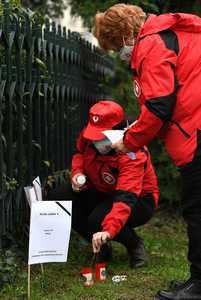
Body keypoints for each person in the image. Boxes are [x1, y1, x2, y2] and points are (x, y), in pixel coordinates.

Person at [94, 3, 201, 300]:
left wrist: (129, 141)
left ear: (126, 33)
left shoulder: (151, 44)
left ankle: (198, 285)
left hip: (196, 133)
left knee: (197, 209)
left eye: (116, 46)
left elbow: (158, 107)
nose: (119, 54)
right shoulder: (167, 34)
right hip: (195, 128)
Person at [48, 100, 159, 268]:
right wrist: (78, 174)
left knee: (98, 220)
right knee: (57, 198)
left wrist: (109, 230)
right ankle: (102, 247)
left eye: (101, 136)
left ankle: (134, 244)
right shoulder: (89, 135)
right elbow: (79, 152)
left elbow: (125, 198)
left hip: (138, 200)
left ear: (117, 132)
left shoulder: (132, 153)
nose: (95, 140)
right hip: (101, 189)